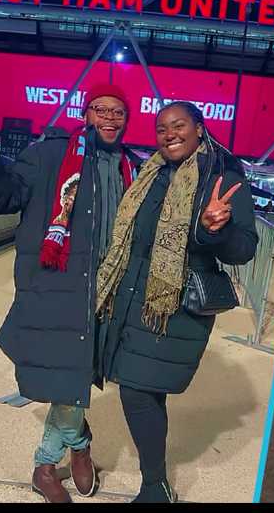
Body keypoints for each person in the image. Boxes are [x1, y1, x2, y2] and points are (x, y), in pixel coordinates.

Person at [0, 84, 141, 503]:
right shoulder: (49, 156)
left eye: (119, 112)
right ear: (86, 113)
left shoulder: (132, 168)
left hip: (106, 293)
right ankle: (46, 466)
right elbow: (3, 195)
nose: (110, 118)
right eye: (101, 109)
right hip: (58, 285)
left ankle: (78, 447)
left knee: (74, 374)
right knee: (68, 375)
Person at [95, 101, 258, 502]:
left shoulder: (223, 176)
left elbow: (244, 248)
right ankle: (156, 482)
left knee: (136, 390)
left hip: (174, 303)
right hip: (133, 295)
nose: (169, 134)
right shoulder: (150, 174)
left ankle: (154, 486)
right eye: (161, 128)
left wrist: (214, 230)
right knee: (145, 390)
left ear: (200, 129)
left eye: (179, 125)